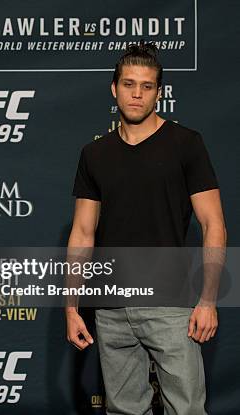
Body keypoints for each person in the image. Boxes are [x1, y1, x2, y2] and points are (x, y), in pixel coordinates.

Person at [65, 43, 226, 414]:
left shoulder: (186, 144)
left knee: (186, 410)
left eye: (147, 86)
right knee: (121, 411)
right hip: (110, 307)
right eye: (128, 84)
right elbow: (82, 233)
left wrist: (208, 299)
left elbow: (213, 224)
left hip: (171, 305)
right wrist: (71, 307)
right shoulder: (94, 154)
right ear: (114, 88)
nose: (137, 94)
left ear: (159, 91)